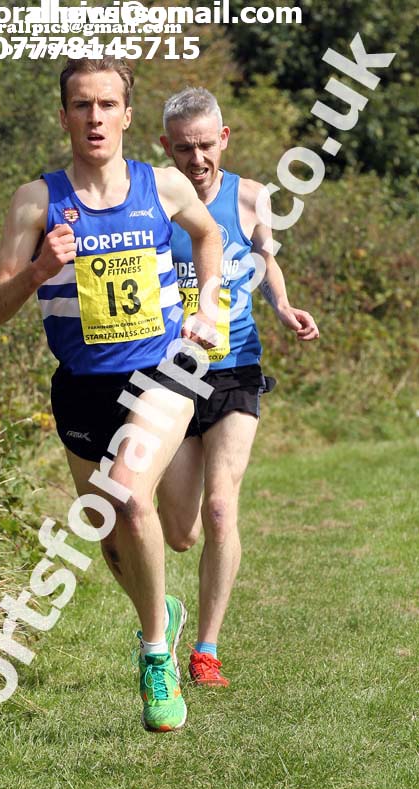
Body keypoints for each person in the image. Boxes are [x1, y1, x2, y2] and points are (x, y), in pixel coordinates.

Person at [0, 61, 223, 732]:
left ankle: (154, 656)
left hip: (164, 372)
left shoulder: (164, 184)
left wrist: (208, 305)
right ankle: (163, 615)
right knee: (113, 538)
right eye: (80, 105)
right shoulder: (36, 201)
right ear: (62, 117)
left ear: (126, 116)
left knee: (126, 496)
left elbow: (208, 235)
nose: (93, 117)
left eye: (106, 104)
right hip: (80, 388)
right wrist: (38, 271)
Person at [157, 87, 319, 686]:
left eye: (204, 146)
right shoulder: (153, 200)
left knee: (221, 506)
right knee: (181, 534)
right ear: (165, 146)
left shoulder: (252, 196)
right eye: (182, 148)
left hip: (236, 368)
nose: (195, 159)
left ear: (223, 139)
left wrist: (282, 305)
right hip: (170, 373)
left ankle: (206, 651)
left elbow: (266, 259)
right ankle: (171, 615)